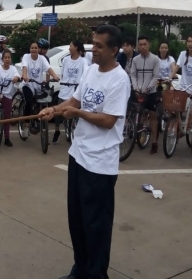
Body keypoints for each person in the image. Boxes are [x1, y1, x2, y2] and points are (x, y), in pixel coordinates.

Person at [39, 25, 130, 279]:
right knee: (77, 220)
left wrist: (76, 114)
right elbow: (75, 101)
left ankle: (96, 274)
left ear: (114, 50)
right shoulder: (91, 70)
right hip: (79, 156)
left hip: (100, 165)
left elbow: (109, 120)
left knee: (96, 226)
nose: (94, 50)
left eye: (100, 46)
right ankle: (80, 270)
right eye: (93, 44)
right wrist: (54, 110)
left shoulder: (119, 80)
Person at [21, 40, 59, 140]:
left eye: (36, 48)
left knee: (43, 101)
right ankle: (26, 125)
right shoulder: (26, 57)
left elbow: (48, 68)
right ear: (30, 49)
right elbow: (24, 67)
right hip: (28, 85)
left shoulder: (42, 58)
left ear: (39, 49)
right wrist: (25, 76)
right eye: (32, 48)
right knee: (29, 102)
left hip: (38, 85)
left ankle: (39, 121)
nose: (34, 49)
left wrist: (55, 76)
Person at [130, 36, 161, 154]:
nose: (142, 47)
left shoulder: (155, 59)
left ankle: (154, 142)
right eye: (140, 44)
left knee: (153, 115)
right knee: (137, 113)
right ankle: (137, 135)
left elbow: (155, 76)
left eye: (144, 44)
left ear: (149, 45)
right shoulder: (135, 59)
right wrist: (136, 88)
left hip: (150, 92)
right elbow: (133, 75)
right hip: (138, 90)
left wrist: (148, 88)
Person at [53, 40, 89, 141]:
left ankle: (74, 131)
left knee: (75, 113)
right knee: (58, 113)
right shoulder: (65, 60)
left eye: (71, 46)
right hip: (65, 89)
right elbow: (63, 74)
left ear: (76, 48)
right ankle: (57, 130)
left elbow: (85, 74)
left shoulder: (83, 61)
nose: (69, 48)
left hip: (76, 91)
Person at [0, 49, 20, 147]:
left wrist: (16, 78)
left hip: (7, 94)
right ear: (2, 59)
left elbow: (17, 75)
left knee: (7, 116)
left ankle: (7, 138)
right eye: (5, 58)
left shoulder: (13, 69)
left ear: (11, 59)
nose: (7, 59)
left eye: (9, 58)